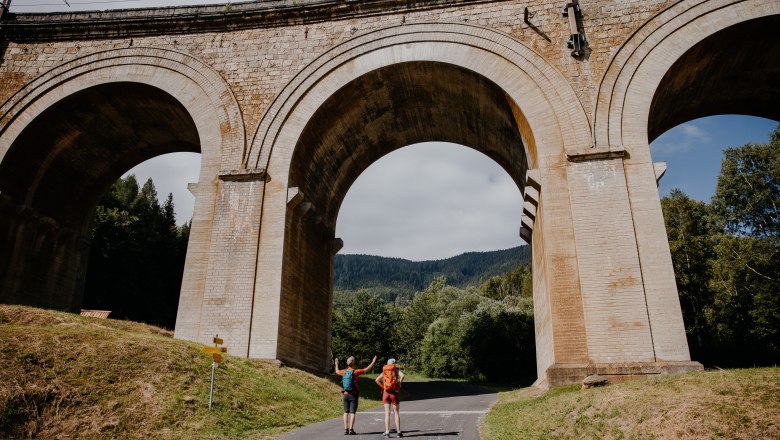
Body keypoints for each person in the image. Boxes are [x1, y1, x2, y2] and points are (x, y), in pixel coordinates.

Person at [335, 355, 377, 435]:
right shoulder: (356, 372)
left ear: (347, 363)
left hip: (345, 394)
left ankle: (346, 429)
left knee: (345, 412)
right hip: (353, 395)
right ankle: (351, 429)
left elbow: (337, 371)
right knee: (352, 412)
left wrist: (336, 364)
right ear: (353, 363)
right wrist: (373, 361)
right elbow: (367, 369)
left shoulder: (344, 372)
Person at [375, 358, 405, 438]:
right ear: (393, 363)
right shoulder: (396, 370)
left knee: (387, 413)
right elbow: (402, 376)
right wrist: (399, 384)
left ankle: (387, 432)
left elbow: (377, 380)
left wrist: (383, 387)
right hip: (394, 393)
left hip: (386, 393)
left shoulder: (385, 370)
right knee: (396, 413)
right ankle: (398, 432)